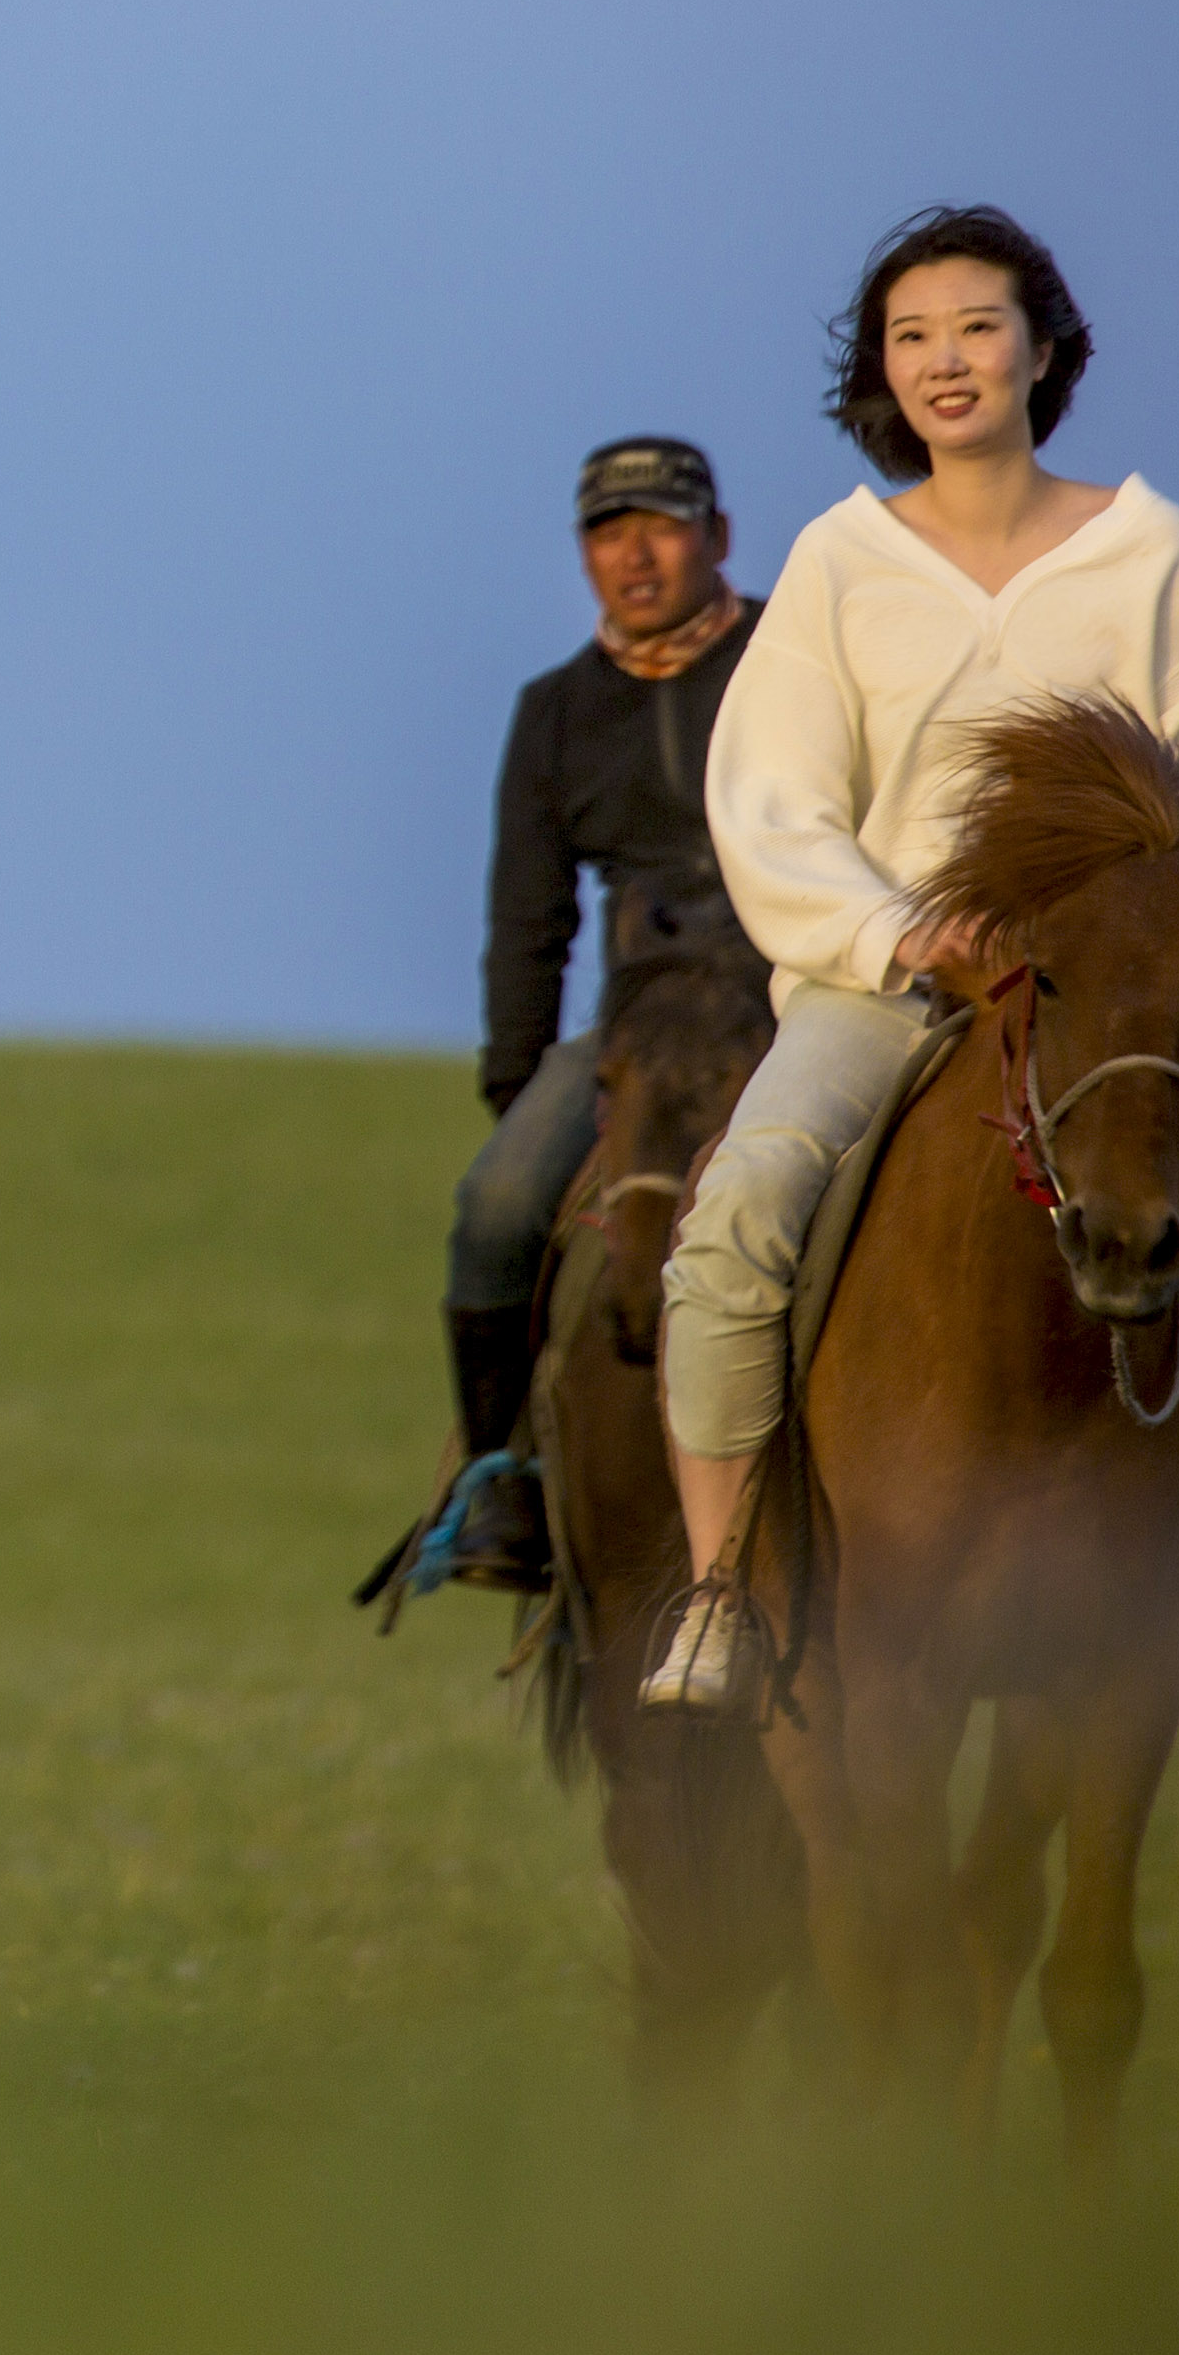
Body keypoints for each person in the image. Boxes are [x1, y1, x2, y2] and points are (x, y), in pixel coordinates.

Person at [643, 209, 1179, 1713]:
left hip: (1107, 1001)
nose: (945, 361)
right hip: (887, 984)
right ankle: (717, 1594)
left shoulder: (1151, 552)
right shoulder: (840, 564)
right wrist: (901, 930)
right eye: (911, 337)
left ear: (1044, 345)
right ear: (882, 374)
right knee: (739, 1214)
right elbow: (773, 804)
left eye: (977, 326)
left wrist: (1114, 941)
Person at [408, 437, 758, 1594]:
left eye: (661, 525)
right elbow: (529, 919)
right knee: (498, 1203)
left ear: (718, 539)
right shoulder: (555, 712)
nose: (636, 554)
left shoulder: (792, 658)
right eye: (610, 532)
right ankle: (502, 1483)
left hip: (793, 992)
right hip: (640, 1024)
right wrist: (522, 1090)